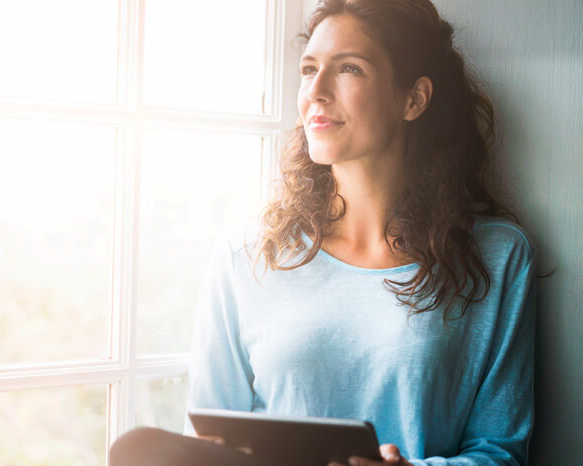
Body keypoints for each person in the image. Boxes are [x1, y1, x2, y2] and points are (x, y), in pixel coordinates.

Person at [110, 0, 536, 464]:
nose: (316, 90)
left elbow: (501, 449)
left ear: (413, 98)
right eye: (309, 69)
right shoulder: (248, 255)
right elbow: (212, 442)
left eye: (349, 68)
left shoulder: (496, 256)